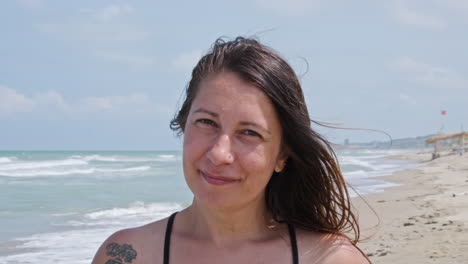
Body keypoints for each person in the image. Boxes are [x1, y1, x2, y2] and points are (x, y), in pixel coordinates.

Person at [92, 37, 370, 264]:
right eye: (206, 122)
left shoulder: (328, 259)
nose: (219, 154)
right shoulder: (129, 255)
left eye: (249, 133)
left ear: (283, 154)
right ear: (183, 124)